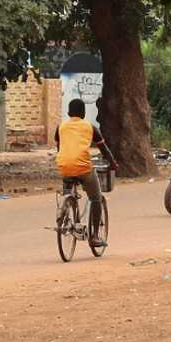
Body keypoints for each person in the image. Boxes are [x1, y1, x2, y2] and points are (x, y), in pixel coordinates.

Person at [55, 98, 118, 248]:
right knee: (96, 198)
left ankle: (64, 209)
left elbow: (60, 148)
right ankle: (95, 236)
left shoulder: (60, 127)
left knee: (67, 183)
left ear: (69, 112)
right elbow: (104, 149)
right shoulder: (90, 127)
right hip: (83, 168)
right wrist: (113, 164)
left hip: (64, 166)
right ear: (83, 113)